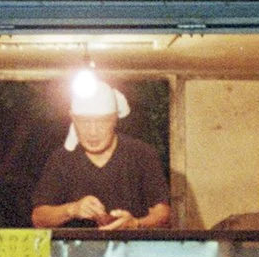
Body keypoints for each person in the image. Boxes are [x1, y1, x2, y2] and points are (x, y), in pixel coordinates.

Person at [31, 73, 172, 231]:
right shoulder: (61, 160)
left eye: (102, 122)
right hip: (78, 254)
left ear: (115, 119)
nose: (92, 132)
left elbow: (163, 215)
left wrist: (136, 224)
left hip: (133, 252)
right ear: (73, 119)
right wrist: (72, 209)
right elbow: (39, 218)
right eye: (84, 122)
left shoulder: (141, 155)